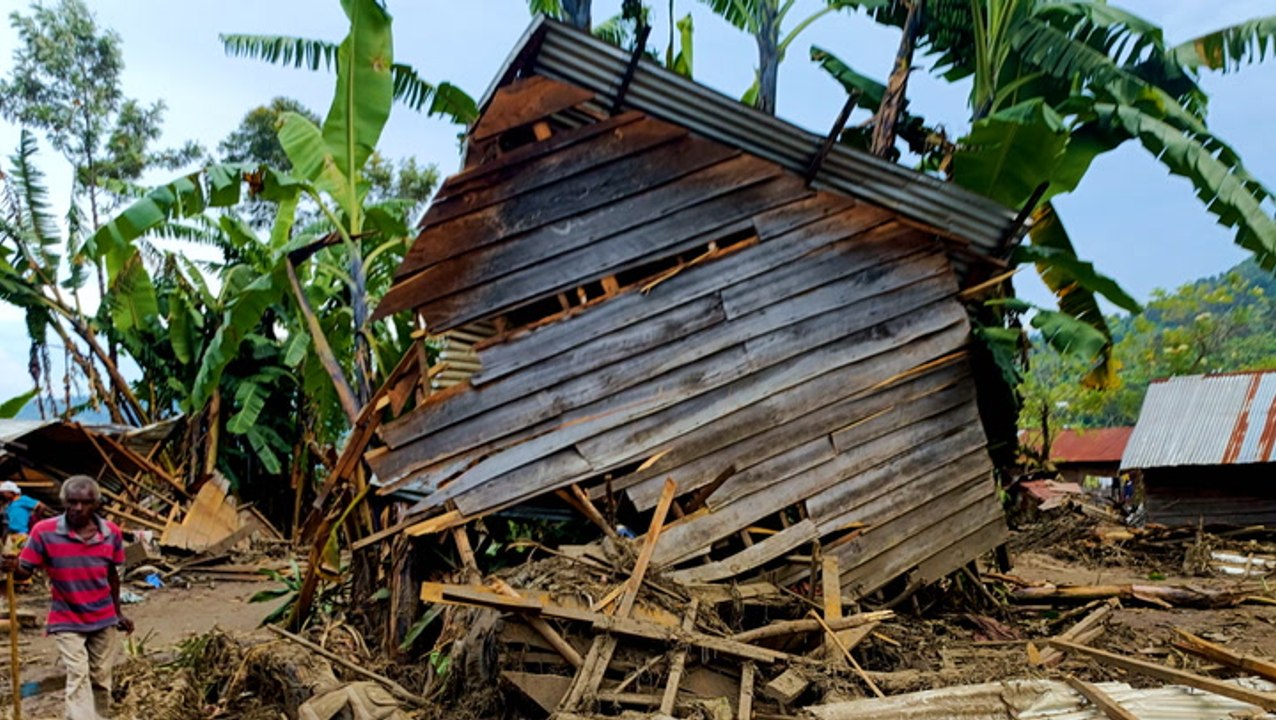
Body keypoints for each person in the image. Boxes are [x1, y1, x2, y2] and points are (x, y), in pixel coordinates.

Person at [2, 475, 134, 719]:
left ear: (96, 504)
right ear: (64, 502)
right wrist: (12, 565)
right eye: (72, 502)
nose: (77, 509)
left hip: (103, 617)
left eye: (84, 503)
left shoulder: (111, 533)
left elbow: (112, 576)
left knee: (100, 678)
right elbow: (25, 569)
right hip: (66, 617)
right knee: (78, 673)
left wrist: (118, 613)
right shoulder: (45, 532)